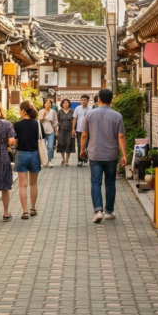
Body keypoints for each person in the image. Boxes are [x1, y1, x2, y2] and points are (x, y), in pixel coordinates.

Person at [79, 88, 127, 223]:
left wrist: (82, 149)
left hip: (95, 153)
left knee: (95, 182)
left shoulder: (89, 114)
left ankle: (98, 210)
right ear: (111, 100)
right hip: (111, 154)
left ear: (98, 99)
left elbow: (84, 134)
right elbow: (121, 136)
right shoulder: (117, 116)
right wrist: (124, 155)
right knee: (110, 183)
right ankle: (109, 212)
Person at [12, 100, 43, 219]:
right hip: (35, 154)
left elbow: (15, 141)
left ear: (23, 111)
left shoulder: (17, 125)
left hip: (21, 154)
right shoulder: (37, 124)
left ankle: (24, 211)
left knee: (22, 185)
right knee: (33, 184)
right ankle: (33, 208)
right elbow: (41, 138)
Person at [55, 98, 76, 166]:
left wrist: (73, 129)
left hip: (69, 130)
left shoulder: (72, 111)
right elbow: (56, 121)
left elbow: (74, 121)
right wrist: (57, 130)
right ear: (62, 104)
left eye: (67, 103)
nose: (66, 104)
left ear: (69, 104)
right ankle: (63, 158)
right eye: (64, 103)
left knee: (68, 144)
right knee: (61, 144)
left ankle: (67, 160)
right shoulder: (59, 111)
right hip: (61, 130)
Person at [72, 94, 91, 167]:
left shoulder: (91, 109)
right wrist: (73, 129)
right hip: (79, 129)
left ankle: (86, 160)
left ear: (88, 101)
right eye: (82, 100)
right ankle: (80, 161)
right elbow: (74, 119)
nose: (83, 101)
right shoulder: (77, 108)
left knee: (87, 145)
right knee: (80, 145)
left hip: (88, 130)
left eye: (85, 100)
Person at [39, 98, 58, 168]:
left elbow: (55, 122)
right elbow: (39, 121)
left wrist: (56, 131)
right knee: (43, 147)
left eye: (49, 103)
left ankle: (49, 161)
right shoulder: (40, 111)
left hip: (51, 131)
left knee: (50, 147)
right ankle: (44, 162)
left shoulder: (53, 112)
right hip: (42, 131)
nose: (48, 104)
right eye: (46, 103)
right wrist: (43, 117)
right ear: (44, 104)